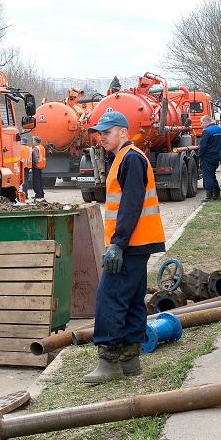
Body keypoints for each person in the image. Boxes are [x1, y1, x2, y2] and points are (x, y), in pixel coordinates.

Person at [82, 111, 165, 384]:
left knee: (110, 299)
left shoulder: (130, 159)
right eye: (100, 133)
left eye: (106, 132)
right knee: (130, 299)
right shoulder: (127, 158)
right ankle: (130, 360)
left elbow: (131, 204)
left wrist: (117, 244)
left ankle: (109, 362)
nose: (101, 137)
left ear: (123, 133)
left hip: (129, 244)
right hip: (137, 243)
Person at [199, 115, 221, 201]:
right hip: (216, 155)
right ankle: (217, 194)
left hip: (207, 157)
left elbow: (203, 146)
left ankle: (209, 195)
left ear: (206, 122)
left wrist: (200, 155)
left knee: (208, 176)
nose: (201, 125)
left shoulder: (207, 131)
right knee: (212, 175)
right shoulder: (219, 129)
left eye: (201, 123)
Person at [31, 135, 46, 200]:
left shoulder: (35, 148)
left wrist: (32, 164)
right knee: (40, 180)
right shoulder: (42, 147)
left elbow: (35, 159)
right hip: (41, 165)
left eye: (33, 140)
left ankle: (38, 194)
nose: (32, 142)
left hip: (36, 166)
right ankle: (41, 193)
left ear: (36, 141)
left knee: (36, 181)